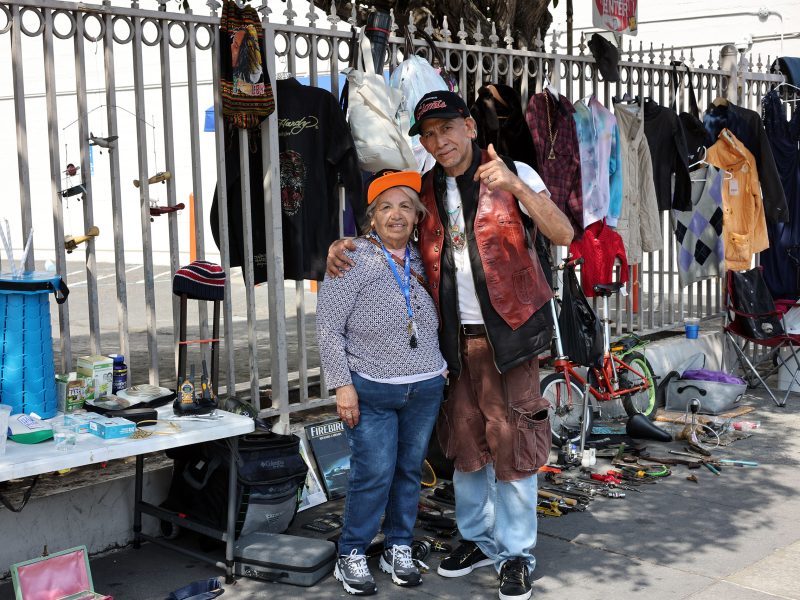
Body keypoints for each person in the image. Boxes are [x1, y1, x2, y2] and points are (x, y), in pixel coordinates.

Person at [327, 90, 574, 600]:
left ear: (469, 126)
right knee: (466, 447)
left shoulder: (515, 172)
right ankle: (478, 539)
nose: (440, 141)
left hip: (509, 340)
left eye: (448, 129)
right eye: (430, 134)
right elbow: (391, 228)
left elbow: (563, 231)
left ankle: (516, 553)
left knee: (513, 443)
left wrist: (518, 188)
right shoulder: (427, 189)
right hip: (452, 346)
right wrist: (343, 243)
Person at [316, 169, 448, 596]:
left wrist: (441, 366)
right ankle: (351, 553)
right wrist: (341, 385)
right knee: (373, 473)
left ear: (417, 216)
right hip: (371, 386)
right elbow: (328, 328)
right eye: (387, 207)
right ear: (372, 216)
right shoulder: (351, 257)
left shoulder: (426, 256)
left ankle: (398, 547)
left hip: (425, 384)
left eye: (406, 207)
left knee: (408, 472)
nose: (397, 215)